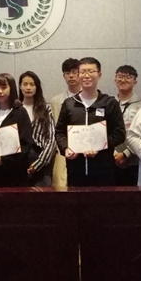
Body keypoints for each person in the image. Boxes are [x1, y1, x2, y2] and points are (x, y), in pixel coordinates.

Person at [55, 57, 125, 187]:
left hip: (104, 170)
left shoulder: (109, 103)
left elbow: (119, 133)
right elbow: (59, 132)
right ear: (78, 75)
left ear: (99, 75)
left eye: (91, 71)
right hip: (75, 170)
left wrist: (100, 146)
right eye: (83, 72)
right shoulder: (69, 104)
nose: (87, 76)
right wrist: (65, 148)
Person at [0, 73, 33, 187]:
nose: (0, 91)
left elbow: (26, 144)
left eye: (4, 87)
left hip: (15, 175)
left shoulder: (20, 113)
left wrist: (4, 160)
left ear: (12, 89)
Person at [19, 71, 56, 187]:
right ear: (20, 87)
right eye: (25, 84)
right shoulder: (15, 110)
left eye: (32, 84)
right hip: (19, 161)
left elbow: (52, 140)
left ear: (37, 87)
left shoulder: (46, 110)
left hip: (41, 160)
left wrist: (38, 164)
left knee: (41, 196)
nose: (28, 87)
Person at [112, 65, 141, 187]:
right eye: (120, 76)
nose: (123, 80)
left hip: (135, 161)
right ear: (115, 80)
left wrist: (126, 153)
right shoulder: (107, 104)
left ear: (135, 82)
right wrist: (113, 153)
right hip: (111, 160)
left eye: (128, 77)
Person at [49, 58, 81, 188]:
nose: (71, 76)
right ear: (64, 76)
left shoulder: (89, 98)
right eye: (67, 73)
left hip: (85, 151)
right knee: (60, 189)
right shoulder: (56, 101)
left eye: (74, 72)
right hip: (62, 152)